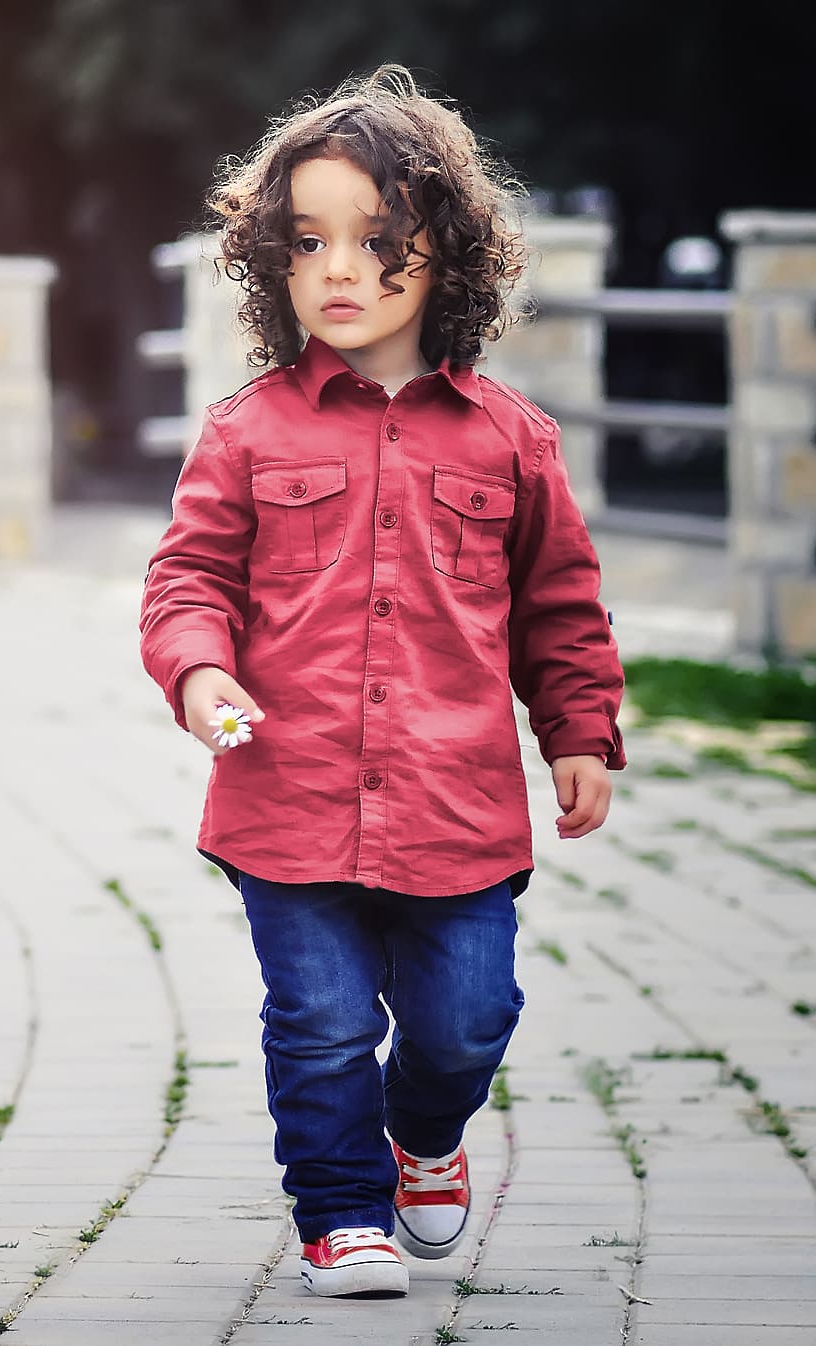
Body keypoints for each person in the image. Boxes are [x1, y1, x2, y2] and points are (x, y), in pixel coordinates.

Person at [139, 63, 626, 1300]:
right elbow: (188, 577)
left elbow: (559, 603)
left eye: (377, 240)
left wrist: (579, 728)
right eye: (307, 242)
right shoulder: (247, 431)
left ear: (446, 257)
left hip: (456, 807)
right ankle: (340, 1211)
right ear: (273, 264)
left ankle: (424, 1137)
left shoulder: (511, 440)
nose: (340, 269)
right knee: (319, 1024)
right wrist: (201, 675)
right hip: (286, 800)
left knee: (467, 1019)